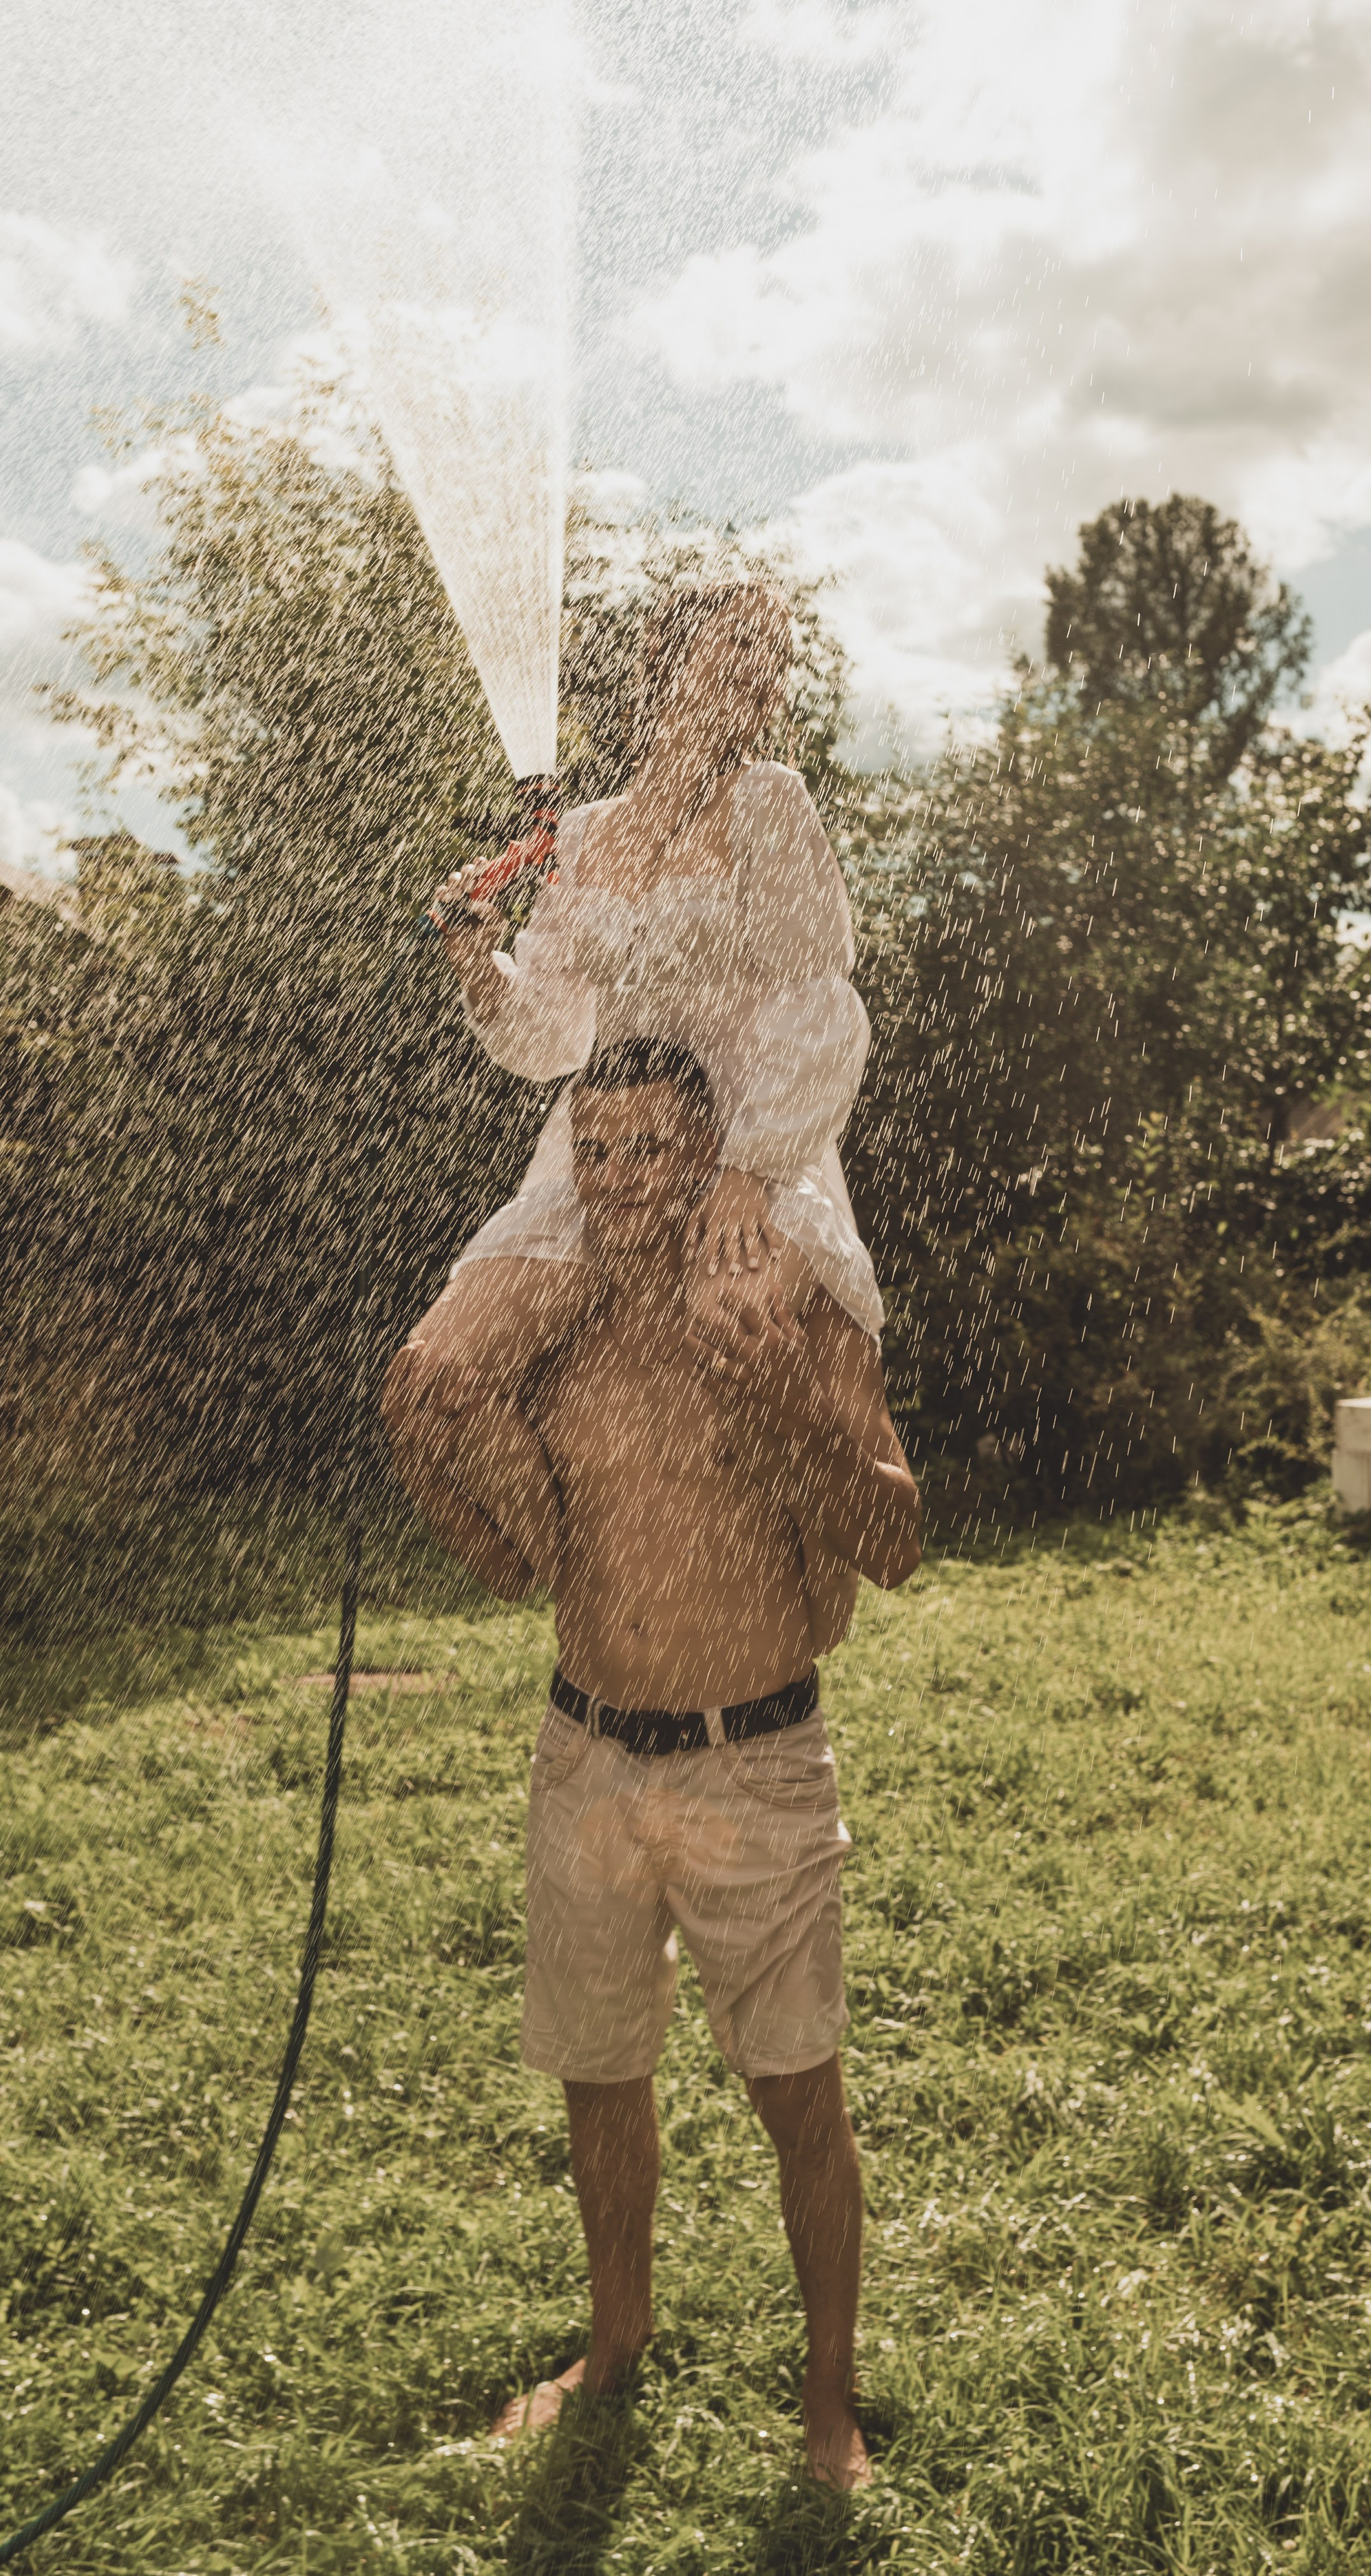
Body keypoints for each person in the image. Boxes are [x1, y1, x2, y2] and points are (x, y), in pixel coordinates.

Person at [381, 1036, 921, 2492]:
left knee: (797, 2091)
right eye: (597, 1150)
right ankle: (616, 2343)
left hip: (755, 1762)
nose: (622, 1180)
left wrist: (783, 1399)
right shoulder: (551, 1336)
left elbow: (896, 1541)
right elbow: (512, 1568)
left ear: (712, 1159)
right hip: (589, 1757)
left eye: (654, 1148)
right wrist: (427, 1450)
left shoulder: (787, 1309)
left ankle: (827, 2402)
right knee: (600, 2075)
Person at [412, 578, 881, 1432]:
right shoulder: (580, 833)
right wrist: (479, 965)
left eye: (774, 658)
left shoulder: (770, 800)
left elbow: (822, 1001)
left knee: (728, 1364)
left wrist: (747, 1172)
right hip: (606, 1155)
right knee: (433, 1382)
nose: (763, 671)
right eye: (740, 645)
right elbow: (552, 1037)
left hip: (749, 1148)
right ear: (670, 659)